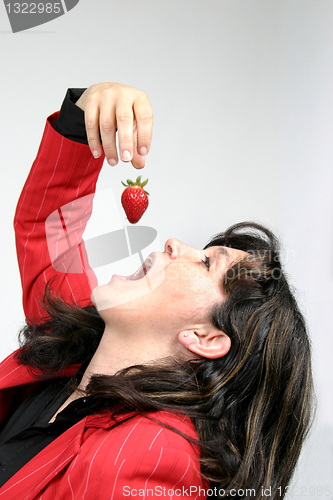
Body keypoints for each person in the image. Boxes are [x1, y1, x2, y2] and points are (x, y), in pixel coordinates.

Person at [0, 83, 313, 500]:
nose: (173, 243)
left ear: (205, 337)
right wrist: (85, 118)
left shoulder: (154, 455)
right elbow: (51, 230)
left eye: (206, 262)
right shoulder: (73, 342)